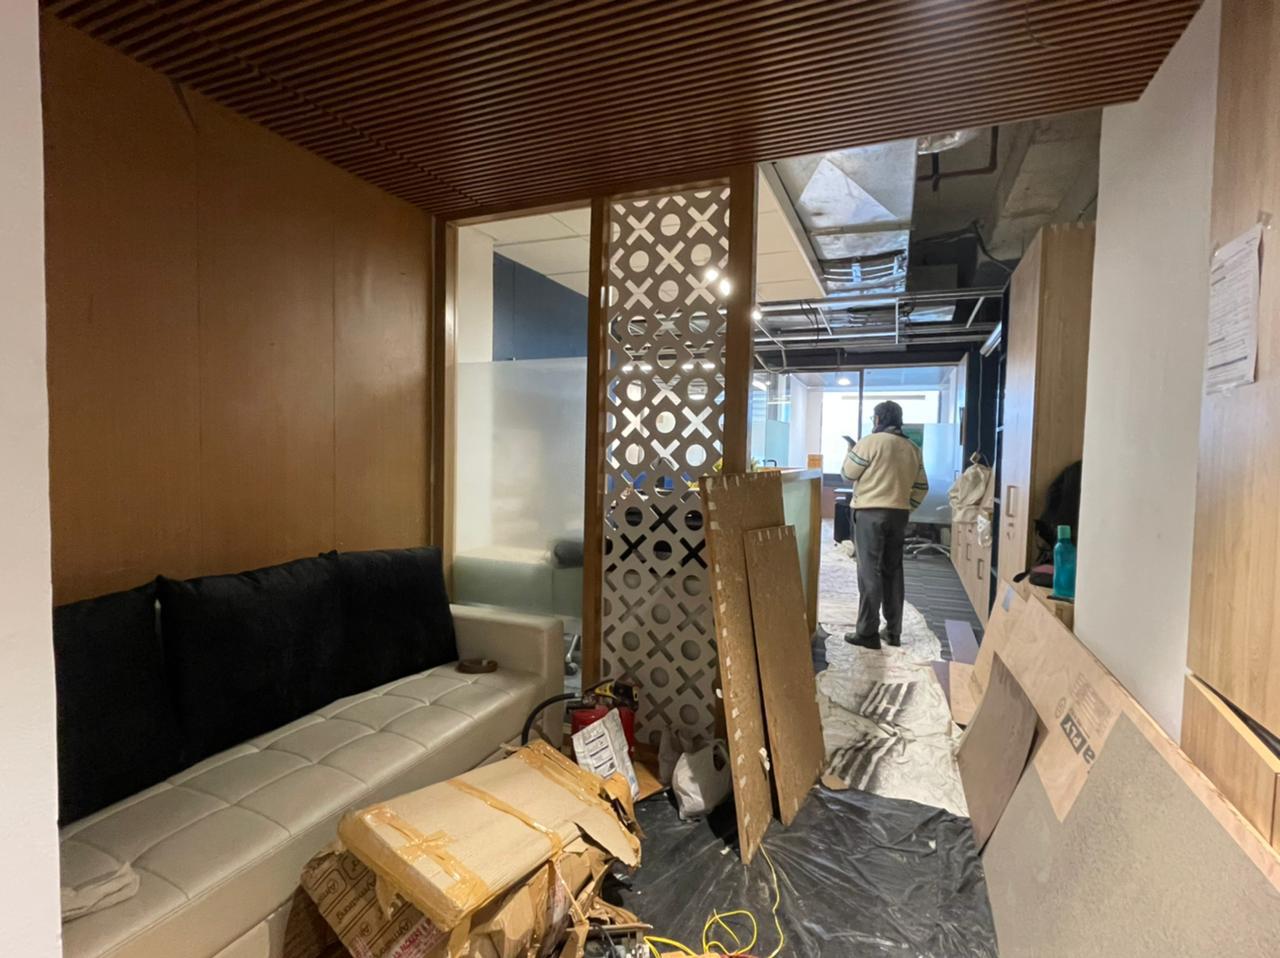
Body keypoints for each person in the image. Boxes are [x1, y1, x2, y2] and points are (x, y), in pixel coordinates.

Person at [840, 400, 929, 649]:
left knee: (870, 572)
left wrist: (851, 450)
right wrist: (905, 505)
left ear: (878, 420)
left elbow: (848, 474)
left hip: (870, 513)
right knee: (893, 571)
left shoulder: (870, 442)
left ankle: (867, 633)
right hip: (899, 514)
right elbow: (922, 487)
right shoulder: (912, 448)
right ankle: (893, 631)